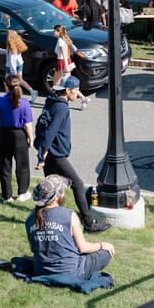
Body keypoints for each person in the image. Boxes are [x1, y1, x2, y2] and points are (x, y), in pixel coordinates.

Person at [34, 78, 110, 234]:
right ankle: (89, 224)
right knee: (77, 184)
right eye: (76, 90)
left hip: (50, 153)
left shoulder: (50, 102)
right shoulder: (62, 108)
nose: (78, 93)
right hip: (56, 156)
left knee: (51, 189)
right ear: (67, 90)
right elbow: (50, 132)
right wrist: (42, 155)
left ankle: (43, 219)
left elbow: (40, 125)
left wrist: (40, 149)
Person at [26, 174, 115, 279]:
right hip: (70, 272)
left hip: (40, 271)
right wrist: (102, 245)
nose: (64, 194)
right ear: (57, 197)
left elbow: (33, 249)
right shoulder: (69, 215)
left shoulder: (30, 219)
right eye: (62, 191)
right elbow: (83, 248)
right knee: (106, 252)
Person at [0, 75, 34, 202]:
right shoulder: (24, 102)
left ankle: (7, 196)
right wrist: (31, 139)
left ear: (6, 86)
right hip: (19, 136)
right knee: (22, 165)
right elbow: (28, 124)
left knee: (4, 165)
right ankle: (23, 192)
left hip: (2, 135)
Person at [53, 25, 88, 108]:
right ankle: (83, 98)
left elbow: (64, 55)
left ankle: (57, 101)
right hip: (67, 62)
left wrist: (66, 66)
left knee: (56, 83)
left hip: (62, 62)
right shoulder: (65, 40)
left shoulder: (60, 41)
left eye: (54, 31)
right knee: (68, 83)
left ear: (59, 32)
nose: (53, 32)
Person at [5, 30, 37, 100]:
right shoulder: (16, 45)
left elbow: (12, 62)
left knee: (7, 81)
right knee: (20, 80)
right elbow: (9, 54)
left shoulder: (12, 49)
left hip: (11, 67)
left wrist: (14, 74)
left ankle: (8, 96)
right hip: (19, 65)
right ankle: (32, 91)